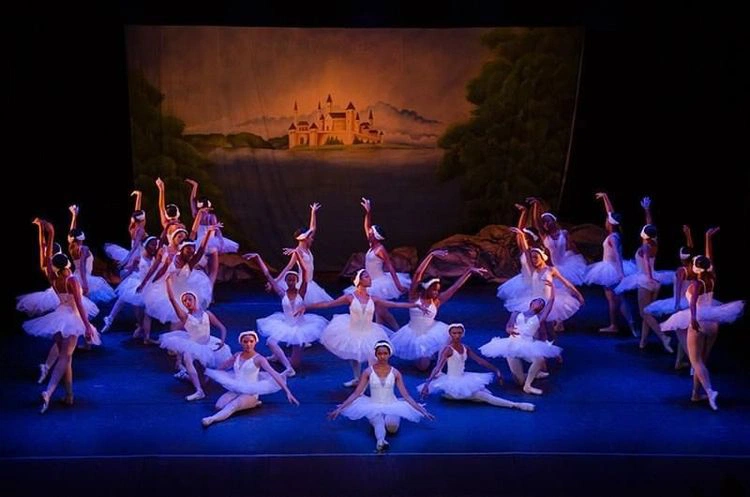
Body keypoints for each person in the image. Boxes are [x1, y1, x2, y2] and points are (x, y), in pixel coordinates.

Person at [300, 269, 427, 387]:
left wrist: (415, 305)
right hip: (352, 330)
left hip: (369, 332)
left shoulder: (374, 299)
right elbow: (328, 304)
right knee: (354, 355)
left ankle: (371, 383)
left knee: (373, 357)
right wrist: (306, 307)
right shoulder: (350, 297)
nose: (370, 278)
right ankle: (357, 378)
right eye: (366, 277)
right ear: (359, 280)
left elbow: (394, 304)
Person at [660, 232, 745, 410]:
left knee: (695, 361)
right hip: (713, 322)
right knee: (701, 362)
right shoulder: (712, 278)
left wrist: (692, 319)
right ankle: (695, 394)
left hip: (698, 320)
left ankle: (710, 391)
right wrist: (707, 238)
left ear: (695, 268)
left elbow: (692, 305)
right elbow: (710, 258)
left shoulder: (696, 284)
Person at [23, 218, 98, 413]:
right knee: (65, 357)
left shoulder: (52, 276)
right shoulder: (72, 280)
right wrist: (88, 326)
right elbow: (80, 306)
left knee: (68, 359)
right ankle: (49, 391)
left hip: (58, 318)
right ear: (66, 264)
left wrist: (47, 232)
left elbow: (45, 256)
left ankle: (69, 395)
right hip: (71, 319)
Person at [328, 340, 434, 452]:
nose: (382, 356)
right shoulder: (368, 372)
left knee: (392, 428)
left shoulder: (395, 373)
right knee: (378, 421)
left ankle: (385, 432)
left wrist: (422, 410)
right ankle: (381, 441)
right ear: (376, 354)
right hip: (373, 404)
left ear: (389, 354)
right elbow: (356, 393)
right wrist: (340, 408)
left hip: (392, 404)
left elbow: (406, 396)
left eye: (385, 353)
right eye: (380, 353)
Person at [391, 248, 487, 370]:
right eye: (434, 289)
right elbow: (418, 274)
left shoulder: (436, 301)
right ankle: (427, 355)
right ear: (426, 288)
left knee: (445, 340)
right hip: (414, 332)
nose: (437, 292)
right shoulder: (414, 297)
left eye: (438, 289)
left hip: (431, 331)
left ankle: (438, 356)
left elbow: (455, 287)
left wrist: (469, 272)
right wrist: (430, 256)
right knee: (421, 367)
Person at [244, 252, 328, 375]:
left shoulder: (301, 292)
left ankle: (281, 359)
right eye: (289, 280)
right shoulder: (282, 293)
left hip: (300, 327)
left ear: (297, 281)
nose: (291, 282)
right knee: (270, 342)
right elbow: (268, 275)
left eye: (293, 280)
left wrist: (298, 256)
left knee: (296, 363)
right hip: (285, 324)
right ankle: (288, 368)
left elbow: (305, 272)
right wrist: (258, 257)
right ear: (286, 281)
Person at [420, 324, 535, 411]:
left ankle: (510, 403)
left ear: (462, 334)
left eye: (459, 333)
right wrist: (427, 385)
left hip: (463, 378)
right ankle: (517, 405)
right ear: (450, 334)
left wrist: (496, 369)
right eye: (454, 333)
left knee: (486, 393)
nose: (456, 336)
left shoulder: (465, 347)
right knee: (485, 397)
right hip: (453, 386)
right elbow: (437, 367)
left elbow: (480, 361)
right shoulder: (448, 349)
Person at [202, 330, 299, 426]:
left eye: (251, 341)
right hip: (237, 388)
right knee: (219, 406)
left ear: (255, 342)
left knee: (233, 405)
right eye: (245, 341)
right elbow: (223, 366)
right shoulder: (237, 355)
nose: (248, 344)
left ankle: (211, 419)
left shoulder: (259, 359)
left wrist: (287, 392)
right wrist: (211, 374)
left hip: (251, 391)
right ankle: (252, 404)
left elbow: (274, 374)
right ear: (241, 342)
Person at [159, 274, 231, 401]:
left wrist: (222, 341)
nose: (187, 302)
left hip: (209, 343)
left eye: (189, 299)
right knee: (188, 356)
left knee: (206, 379)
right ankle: (199, 391)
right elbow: (172, 299)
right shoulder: (185, 317)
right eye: (184, 301)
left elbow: (222, 327)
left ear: (195, 300)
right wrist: (168, 282)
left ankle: (186, 375)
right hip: (194, 345)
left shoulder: (207, 314)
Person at [614, 197, 674, 349]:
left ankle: (663, 336)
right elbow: (650, 224)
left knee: (644, 313)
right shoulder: (654, 242)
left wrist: (650, 277)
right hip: (655, 281)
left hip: (646, 280)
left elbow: (646, 262)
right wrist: (647, 209)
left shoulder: (645, 247)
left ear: (644, 235)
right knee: (648, 311)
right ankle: (643, 341)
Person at [480, 288, 562, 396]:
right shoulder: (516, 313)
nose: (540, 303)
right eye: (538, 301)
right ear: (531, 303)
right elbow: (508, 326)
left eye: (542, 303)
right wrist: (510, 330)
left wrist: (551, 286)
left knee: (539, 360)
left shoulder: (539, 318)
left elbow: (551, 301)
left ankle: (528, 386)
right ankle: (533, 374)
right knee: (519, 381)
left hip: (527, 343)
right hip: (512, 343)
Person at [344, 198, 411, 330]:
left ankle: (396, 330)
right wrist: (368, 212)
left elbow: (390, 267)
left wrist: (397, 284)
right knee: (378, 311)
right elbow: (366, 226)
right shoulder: (371, 245)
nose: (368, 233)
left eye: (370, 233)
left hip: (379, 282)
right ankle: (379, 331)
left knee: (381, 311)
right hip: (371, 281)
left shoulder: (380, 249)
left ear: (375, 236)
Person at [584, 192, 637, 335]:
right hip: (612, 268)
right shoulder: (616, 234)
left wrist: (620, 274)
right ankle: (629, 326)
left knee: (614, 300)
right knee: (618, 299)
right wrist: (605, 197)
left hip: (612, 270)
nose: (606, 221)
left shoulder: (612, 238)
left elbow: (618, 256)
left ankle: (617, 325)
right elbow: (611, 212)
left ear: (610, 223)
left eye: (608, 220)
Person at [276, 202, 333, 304]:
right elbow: (288, 267)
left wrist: (313, 213)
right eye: (310, 238)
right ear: (305, 239)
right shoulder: (298, 251)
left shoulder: (307, 248)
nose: (312, 239)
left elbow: (313, 228)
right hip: (303, 283)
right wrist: (276, 280)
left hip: (310, 283)